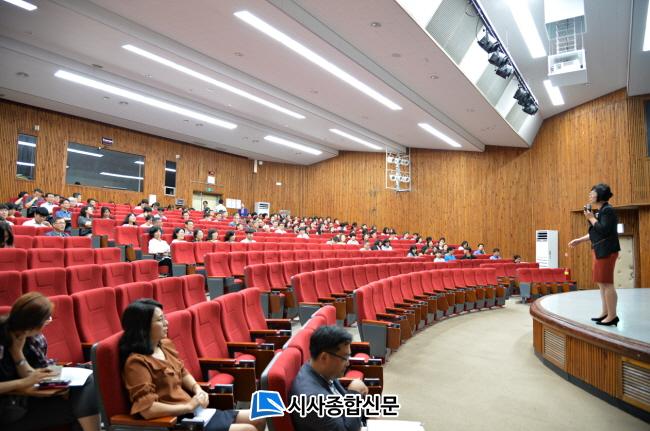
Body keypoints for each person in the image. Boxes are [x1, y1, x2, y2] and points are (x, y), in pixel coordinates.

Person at [119, 299, 264, 431]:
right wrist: (188, 406)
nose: (166, 323)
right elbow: (147, 410)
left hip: (194, 412)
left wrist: (197, 389)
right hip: (177, 421)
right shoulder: (136, 363)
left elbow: (182, 372)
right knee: (247, 429)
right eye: (160, 320)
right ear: (143, 327)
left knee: (259, 418)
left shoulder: (164, 345)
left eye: (165, 318)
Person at [0, 292, 100, 431]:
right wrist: (24, 383)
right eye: (45, 321)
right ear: (34, 325)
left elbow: (26, 373)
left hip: (20, 402)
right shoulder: (5, 336)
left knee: (88, 382)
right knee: (82, 405)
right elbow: (23, 380)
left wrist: (18, 354)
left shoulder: (21, 335)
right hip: (7, 411)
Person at [289, 325, 368, 431]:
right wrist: (354, 394)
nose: (348, 363)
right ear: (324, 357)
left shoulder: (321, 371)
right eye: (344, 357)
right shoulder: (313, 400)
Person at [569, 183, 621, 326]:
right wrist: (579, 240)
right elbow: (595, 232)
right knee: (601, 284)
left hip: (607, 251)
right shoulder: (601, 211)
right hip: (599, 250)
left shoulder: (608, 210)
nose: (590, 195)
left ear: (600, 195)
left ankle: (612, 316)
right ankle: (605, 313)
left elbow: (604, 230)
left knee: (607, 283)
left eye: (592, 193)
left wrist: (591, 217)